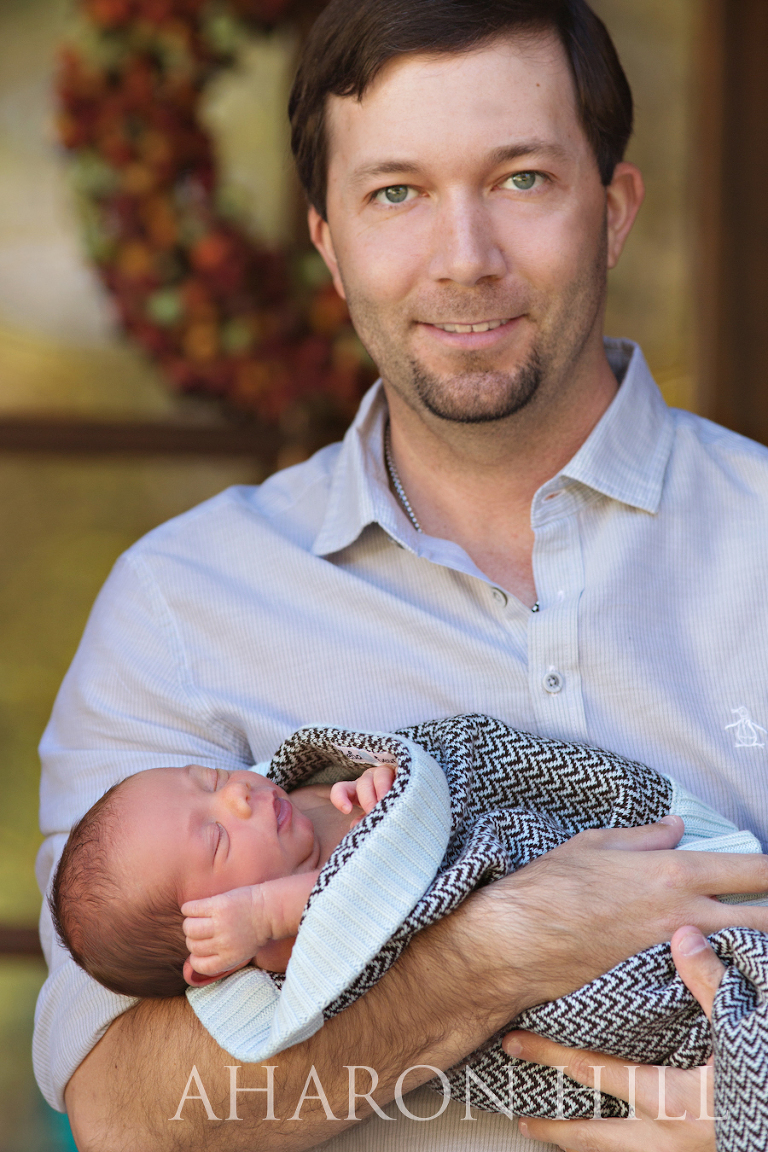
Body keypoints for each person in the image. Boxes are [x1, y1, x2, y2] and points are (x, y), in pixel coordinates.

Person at [33, 1, 768, 1149]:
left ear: (615, 211)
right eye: (396, 194)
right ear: (329, 243)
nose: (464, 259)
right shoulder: (179, 605)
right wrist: (492, 954)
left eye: (522, 179)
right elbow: (128, 1114)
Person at [50, 761, 395, 996]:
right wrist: (263, 913)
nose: (236, 793)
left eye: (213, 779)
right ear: (220, 952)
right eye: (217, 839)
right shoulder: (278, 944)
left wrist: (377, 780)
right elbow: (366, 897)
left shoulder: (298, 797)